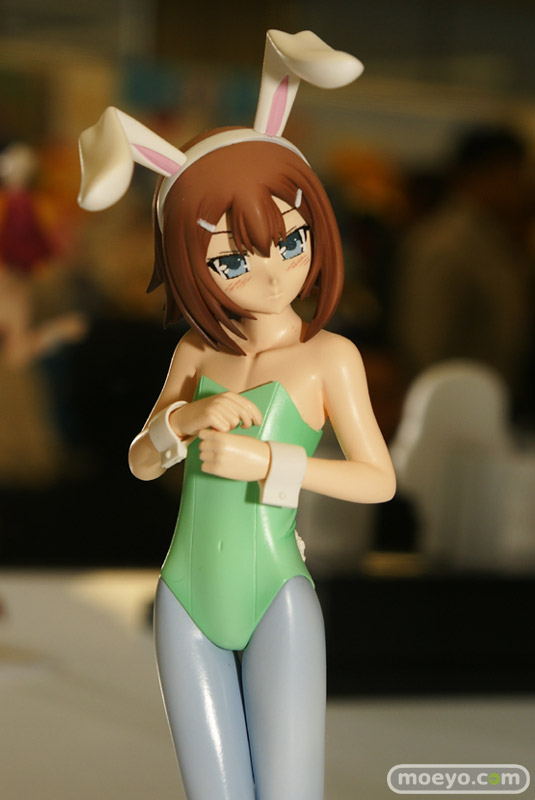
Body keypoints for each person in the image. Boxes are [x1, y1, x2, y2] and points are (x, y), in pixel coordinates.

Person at [78, 31, 395, 800]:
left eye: (290, 240)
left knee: (288, 790)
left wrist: (270, 462)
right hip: (184, 596)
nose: (270, 273)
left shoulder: (328, 358)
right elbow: (140, 461)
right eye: (230, 260)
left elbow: (377, 480)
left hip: (276, 594)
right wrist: (179, 425)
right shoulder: (195, 351)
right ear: (191, 267)